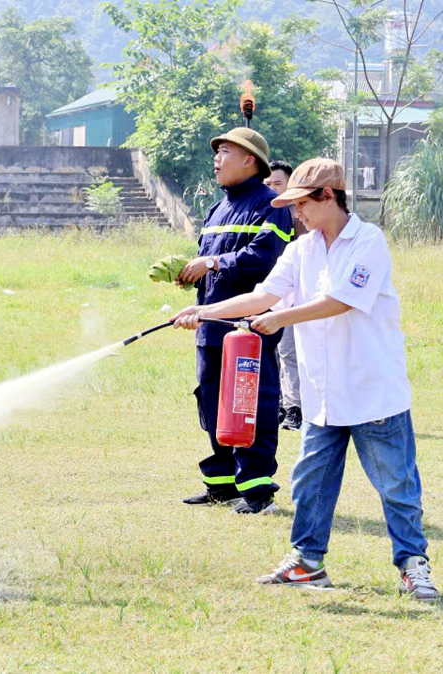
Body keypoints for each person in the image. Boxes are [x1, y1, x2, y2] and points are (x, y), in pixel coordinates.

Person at [172, 158, 439, 600]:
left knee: (396, 485)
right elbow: (264, 295)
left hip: (373, 391)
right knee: (310, 483)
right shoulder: (300, 250)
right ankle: (307, 562)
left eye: (302, 204)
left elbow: (341, 301)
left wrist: (276, 319)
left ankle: (413, 565)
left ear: (328, 196)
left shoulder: (368, 241)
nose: (296, 213)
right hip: (323, 394)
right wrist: (206, 311)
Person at [174, 128, 294, 514]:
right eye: (216, 152)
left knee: (250, 405)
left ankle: (258, 493)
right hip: (210, 325)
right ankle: (222, 485)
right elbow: (213, 263)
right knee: (211, 402)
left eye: (225, 151)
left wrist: (212, 262)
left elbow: (263, 258)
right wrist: (193, 278)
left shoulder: (272, 204)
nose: (216, 158)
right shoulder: (216, 210)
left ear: (250, 160)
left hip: (249, 329)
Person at [264, 160, 305, 431]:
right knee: (275, 353)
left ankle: (295, 408)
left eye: (278, 184)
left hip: (296, 298)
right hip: (269, 295)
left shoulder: (299, 216)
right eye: (267, 184)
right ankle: (279, 404)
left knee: (289, 352)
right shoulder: (265, 214)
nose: (272, 189)